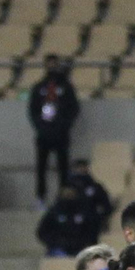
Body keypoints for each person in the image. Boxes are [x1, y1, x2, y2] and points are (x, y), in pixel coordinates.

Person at [28, 54, 79, 203]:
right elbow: (32, 110)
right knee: (41, 167)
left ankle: (64, 198)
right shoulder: (39, 87)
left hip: (61, 134)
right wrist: (40, 126)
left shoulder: (66, 87)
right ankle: (41, 197)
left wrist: (64, 125)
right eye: (49, 64)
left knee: (63, 168)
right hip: (43, 134)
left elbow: (74, 108)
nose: (52, 67)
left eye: (54, 64)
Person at [36, 185, 101, 257]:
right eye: (66, 194)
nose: (69, 196)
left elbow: (92, 230)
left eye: (71, 194)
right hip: (59, 248)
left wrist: (84, 243)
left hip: (80, 248)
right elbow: (42, 232)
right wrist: (54, 242)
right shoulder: (54, 212)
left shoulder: (84, 211)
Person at [66, 159, 113, 223]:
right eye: (80, 167)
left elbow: (105, 203)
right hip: (73, 220)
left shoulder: (94, 186)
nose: (82, 169)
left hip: (91, 219)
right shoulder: (69, 186)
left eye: (84, 167)